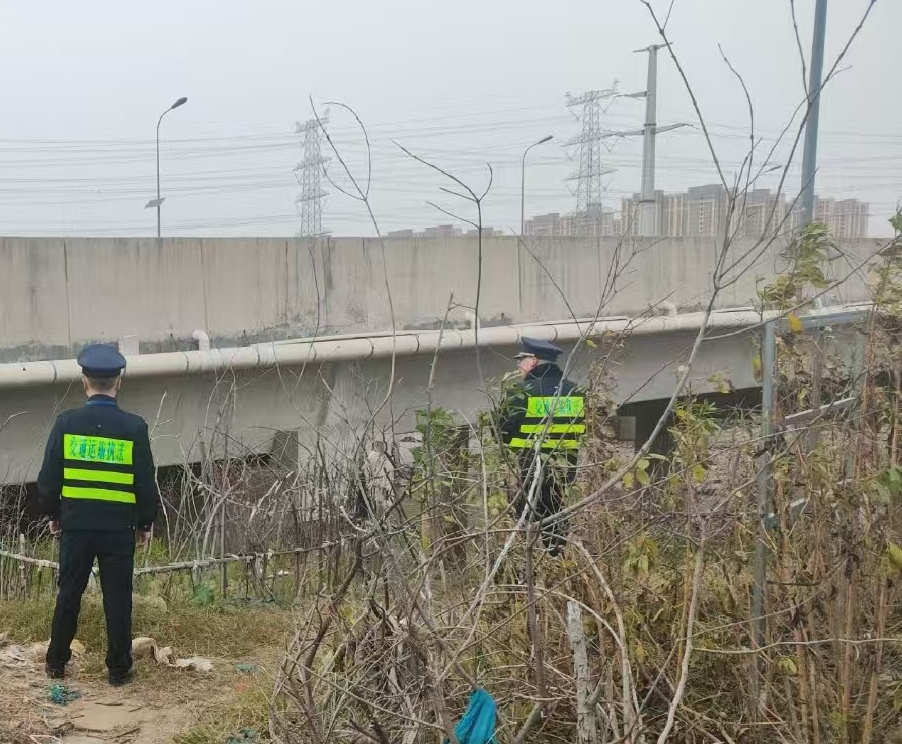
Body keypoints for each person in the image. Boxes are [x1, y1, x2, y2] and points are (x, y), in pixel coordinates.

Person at [35, 344, 159, 686]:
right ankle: (118, 670)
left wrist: (54, 514)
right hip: (119, 529)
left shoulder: (66, 423)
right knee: (118, 599)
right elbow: (145, 481)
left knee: (68, 594)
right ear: (119, 382)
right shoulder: (134, 427)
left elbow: (48, 479)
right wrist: (144, 522)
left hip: (76, 527)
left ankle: (56, 663)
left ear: (84, 382)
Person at [498, 337, 586, 557]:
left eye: (522, 361)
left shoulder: (521, 393)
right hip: (564, 468)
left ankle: (526, 563)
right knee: (554, 513)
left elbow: (503, 431)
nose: (519, 366)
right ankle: (557, 558)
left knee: (524, 520)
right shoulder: (575, 391)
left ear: (534, 362)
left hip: (531, 467)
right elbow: (582, 428)